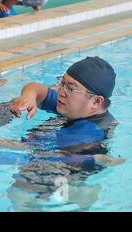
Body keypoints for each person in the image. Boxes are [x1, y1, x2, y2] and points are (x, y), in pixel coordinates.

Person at [8, 56, 124, 209]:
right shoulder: (76, 107)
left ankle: (79, 194)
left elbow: (29, 146)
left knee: (20, 194)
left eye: (70, 87)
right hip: (71, 155)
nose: (61, 91)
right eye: (62, 83)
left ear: (96, 101)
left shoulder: (87, 131)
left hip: (76, 161)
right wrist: (28, 98)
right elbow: (35, 87)